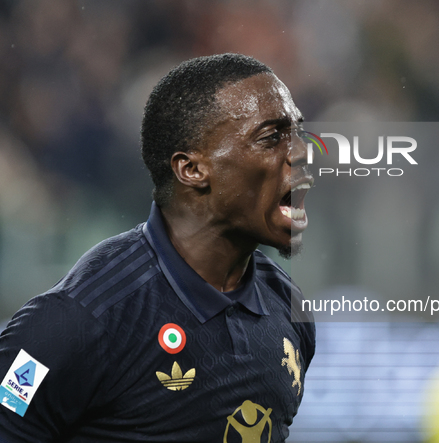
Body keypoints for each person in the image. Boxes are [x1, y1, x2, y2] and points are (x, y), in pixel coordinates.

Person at [0, 53, 315, 442]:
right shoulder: (81, 319)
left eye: (298, 134)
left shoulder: (287, 305)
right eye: (271, 137)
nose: (301, 152)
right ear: (193, 169)